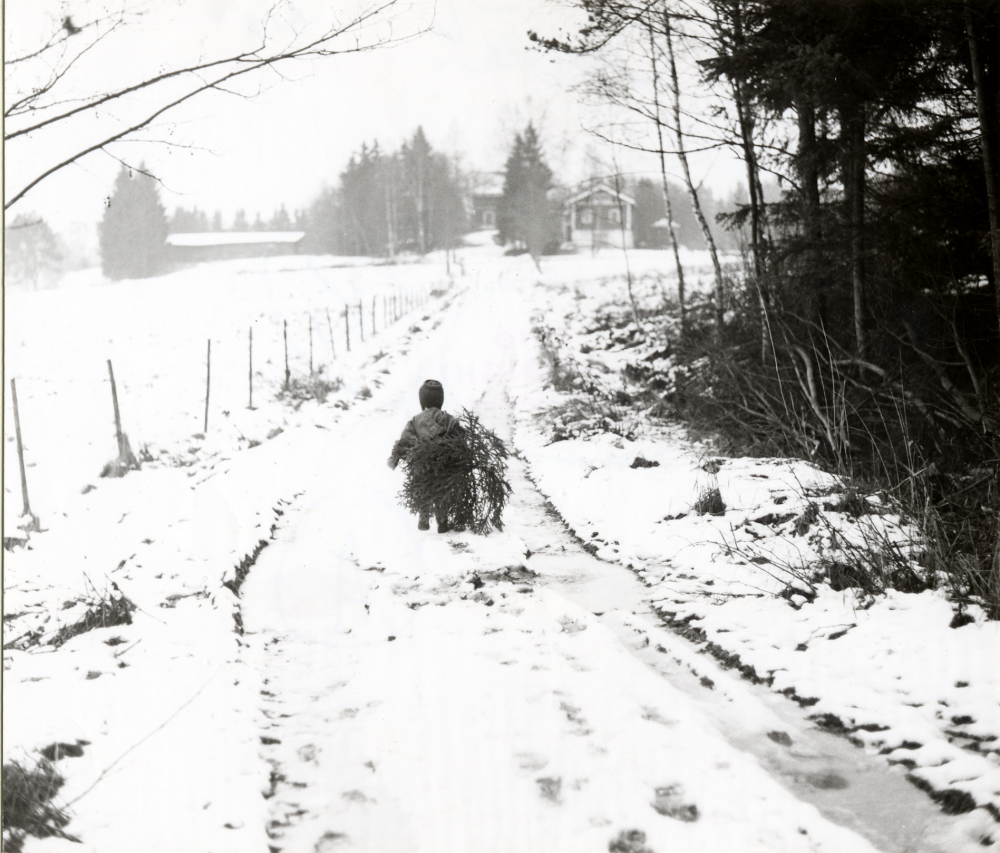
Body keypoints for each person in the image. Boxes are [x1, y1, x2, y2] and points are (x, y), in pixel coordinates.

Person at [387, 379, 464, 532]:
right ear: (441, 400)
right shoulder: (449, 420)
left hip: (422, 466)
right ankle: (442, 522)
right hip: (443, 466)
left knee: (422, 488)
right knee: (441, 491)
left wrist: (393, 460)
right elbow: (460, 440)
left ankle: (423, 519)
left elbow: (403, 442)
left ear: (422, 400)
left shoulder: (415, 421)